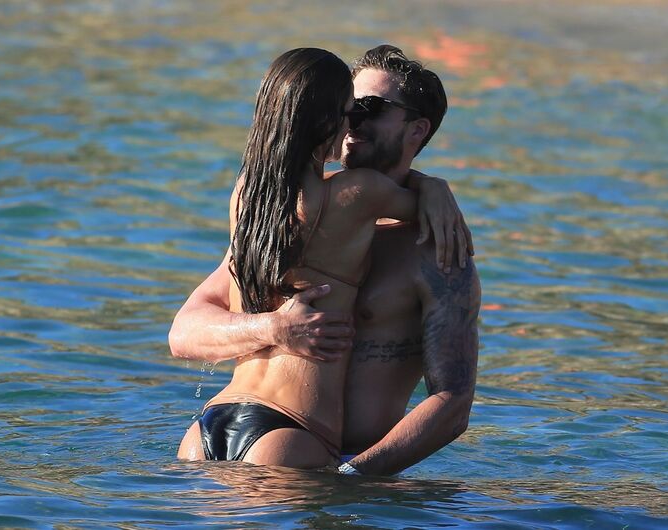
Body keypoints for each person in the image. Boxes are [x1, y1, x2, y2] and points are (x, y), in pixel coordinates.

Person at [172, 45, 480, 475]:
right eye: (346, 105)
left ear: (417, 129)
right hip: (296, 444)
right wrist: (274, 327)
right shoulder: (288, 216)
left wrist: (353, 476)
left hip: (245, 439)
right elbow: (184, 334)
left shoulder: (434, 250)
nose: (352, 119)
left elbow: (453, 404)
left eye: (369, 108)